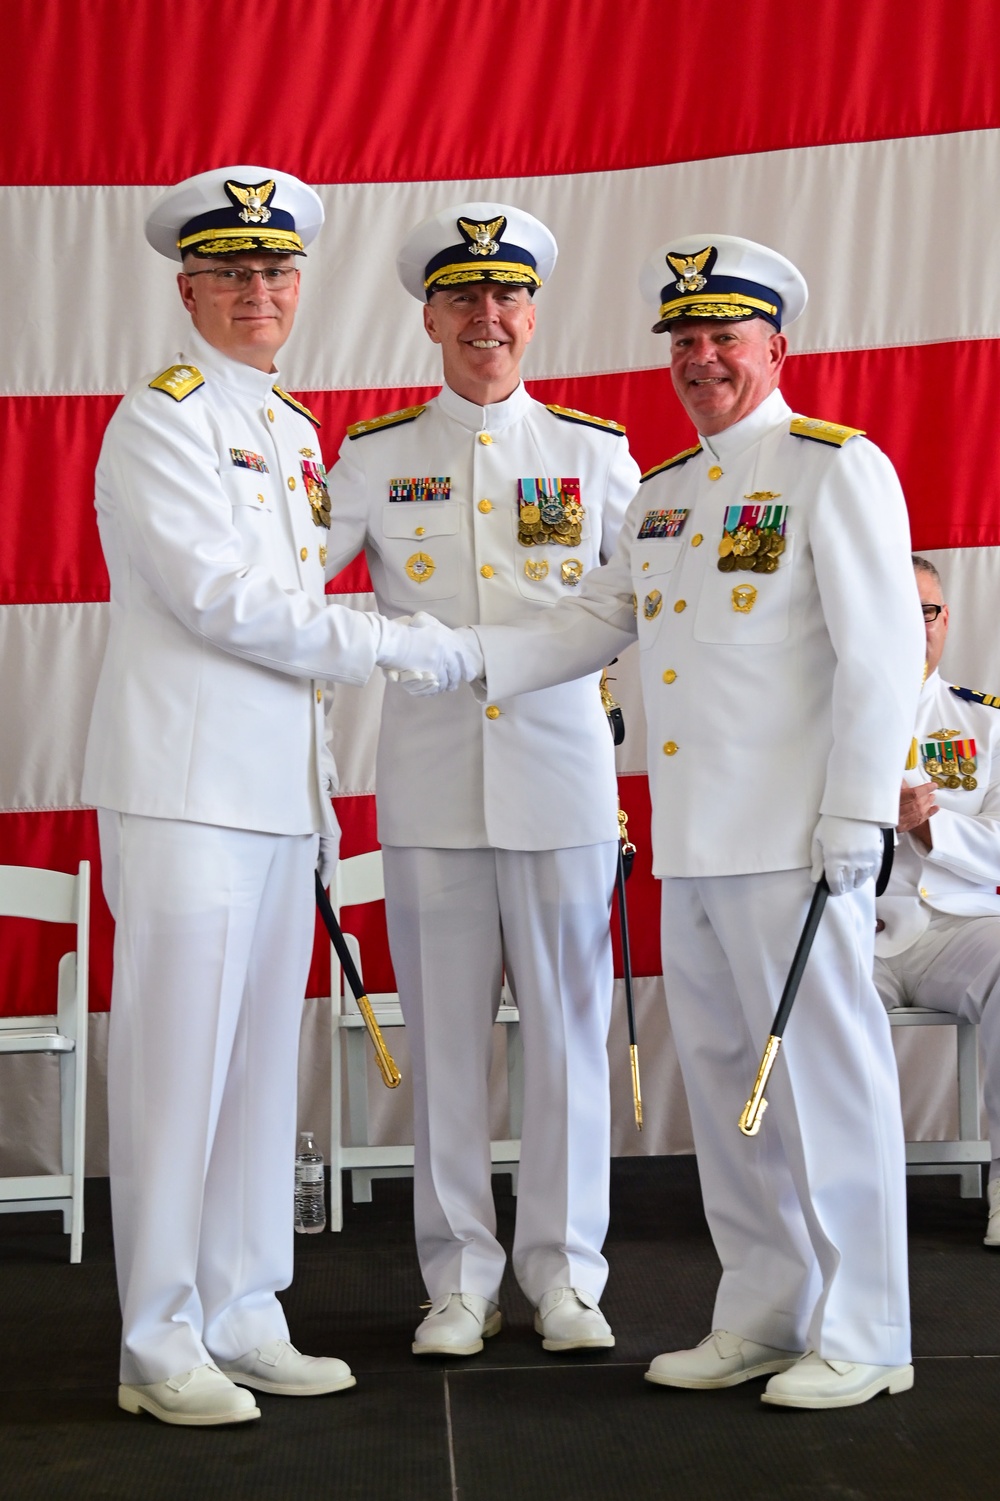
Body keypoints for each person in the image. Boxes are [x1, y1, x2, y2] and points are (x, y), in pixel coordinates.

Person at [453, 235, 926, 1408]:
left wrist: (857, 816)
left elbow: (883, 655)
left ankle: (866, 1329)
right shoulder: (661, 495)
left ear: (776, 346)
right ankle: (766, 1308)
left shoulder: (833, 466)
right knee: (726, 1083)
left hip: (795, 839)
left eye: (726, 336)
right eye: (685, 338)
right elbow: (585, 626)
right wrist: (441, 657)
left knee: (828, 1081)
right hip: (696, 846)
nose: (702, 357)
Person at [82, 166, 462, 1426]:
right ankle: (157, 1339)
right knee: (175, 1071)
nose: (258, 290)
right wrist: (396, 643)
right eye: (233, 272)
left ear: (299, 285)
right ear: (187, 286)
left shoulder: (295, 432)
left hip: (275, 794)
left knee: (254, 1071)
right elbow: (223, 605)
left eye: (276, 270)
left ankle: (245, 1307)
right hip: (184, 786)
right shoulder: (161, 416)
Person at [323, 202, 641, 1356]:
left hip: (560, 779)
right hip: (431, 786)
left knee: (566, 1031)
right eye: (463, 299)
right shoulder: (373, 454)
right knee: (447, 1041)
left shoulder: (595, 453)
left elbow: (640, 608)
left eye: (504, 298)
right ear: (429, 317)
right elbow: (289, 585)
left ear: (531, 314)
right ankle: (459, 1275)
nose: (486, 318)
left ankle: (566, 1273)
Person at [874, 555, 1000, 1246]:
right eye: (900, 611)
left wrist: (933, 827)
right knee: (813, 1005)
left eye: (927, 610)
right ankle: (847, 1191)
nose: (916, 625)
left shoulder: (985, 723)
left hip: (960, 926)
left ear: (946, 620)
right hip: (855, 924)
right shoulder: (825, 715)